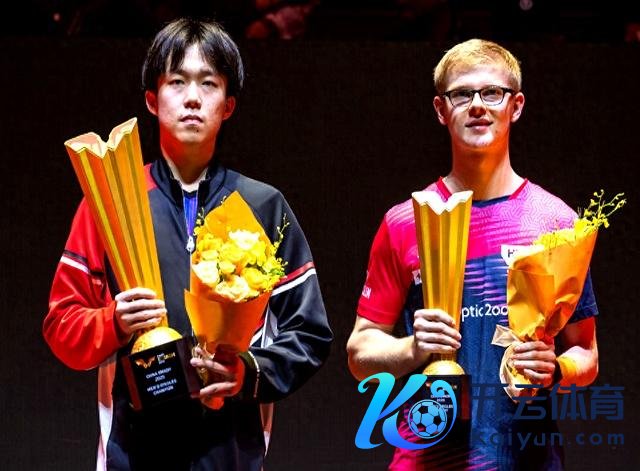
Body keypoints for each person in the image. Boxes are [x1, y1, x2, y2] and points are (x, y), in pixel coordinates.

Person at [43, 18, 332, 470]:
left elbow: (309, 333)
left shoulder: (264, 205)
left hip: (232, 453)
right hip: (132, 454)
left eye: (208, 83)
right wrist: (114, 321)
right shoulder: (111, 202)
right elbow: (61, 325)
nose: (193, 97)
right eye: (177, 81)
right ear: (152, 99)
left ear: (228, 105)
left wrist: (247, 371)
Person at [347, 39, 598, 470]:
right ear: (441, 110)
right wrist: (413, 348)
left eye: (492, 93)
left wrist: (555, 368)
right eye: (462, 94)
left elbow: (587, 354)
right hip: (427, 458)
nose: (478, 105)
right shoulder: (406, 221)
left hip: (525, 459)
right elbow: (359, 354)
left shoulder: (555, 222)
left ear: (515, 106)